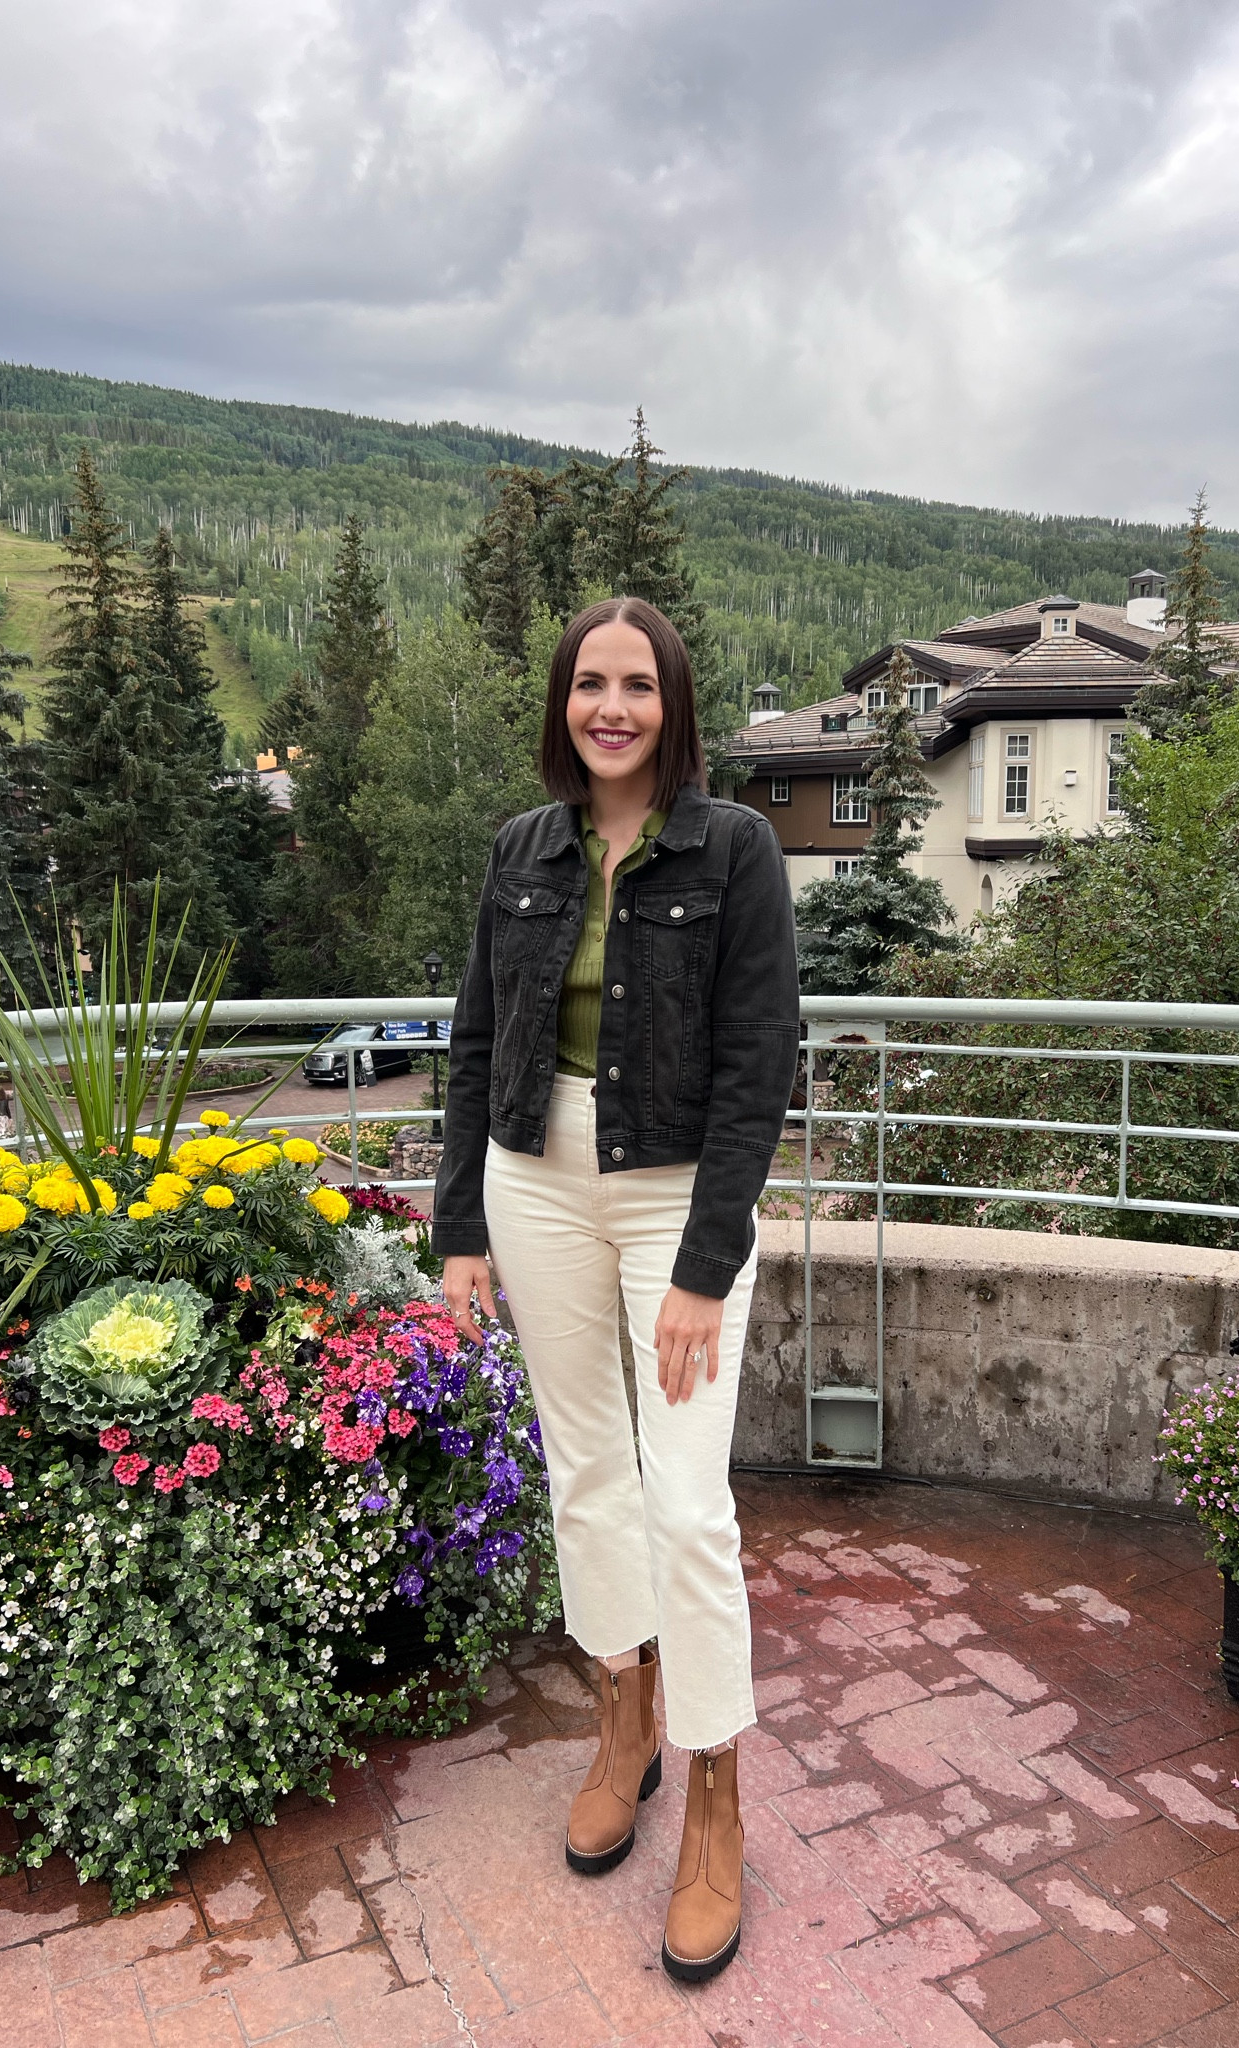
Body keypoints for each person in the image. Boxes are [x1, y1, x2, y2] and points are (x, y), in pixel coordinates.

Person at [433, 596, 799, 1982]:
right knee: (587, 1473)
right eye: (590, 684)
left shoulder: (738, 848)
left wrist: (708, 1267)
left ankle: (715, 1801)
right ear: (563, 703)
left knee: (688, 1505)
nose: (612, 708)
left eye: (636, 685)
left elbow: (762, 1059)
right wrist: (461, 1219)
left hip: (674, 1191)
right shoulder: (521, 851)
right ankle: (624, 1718)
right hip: (537, 1185)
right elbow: (477, 1038)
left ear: (672, 705)